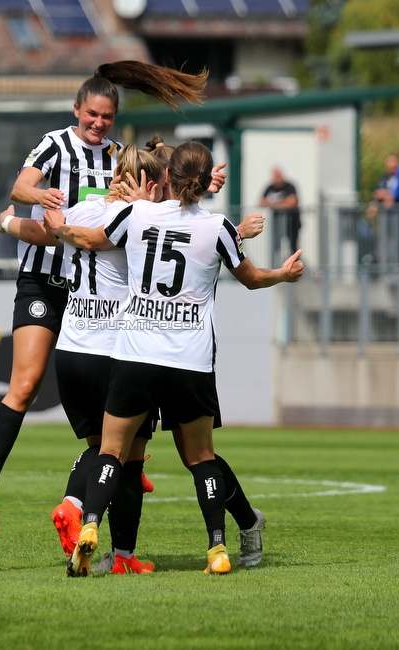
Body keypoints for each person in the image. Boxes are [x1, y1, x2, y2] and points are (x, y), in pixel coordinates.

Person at [0, 61, 208, 539]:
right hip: (44, 281)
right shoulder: (57, 144)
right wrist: (39, 196)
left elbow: (157, 192)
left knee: (121, 398)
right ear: (77, 110)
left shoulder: (119, 155)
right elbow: (18, 189)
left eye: (106, 117)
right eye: (91, 115)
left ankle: (115, 471)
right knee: (26, 383)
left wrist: (201, 188)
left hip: (96, 296)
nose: (97, 124)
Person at [46, 142, 303, 577]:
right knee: (201, 458)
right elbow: (252, 278)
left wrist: (58, 227)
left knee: (112, 452)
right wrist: (284, 273)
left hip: (136, 354)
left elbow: (90, 238)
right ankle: (218, 548)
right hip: (189, 359)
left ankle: (90, 525)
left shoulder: (139, 215)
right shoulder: (219, 226)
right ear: (204, 185)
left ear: (167, 178)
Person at [259, 168, 300, 267]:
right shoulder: (270, 187)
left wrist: (274, 204)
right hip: (276, 224)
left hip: (292, 223)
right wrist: (282, 203)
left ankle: (295, 268)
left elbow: (293, 202)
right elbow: (262, 201)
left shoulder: (290, 186)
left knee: (292, 247)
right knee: (275, 247)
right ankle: (274, 268)